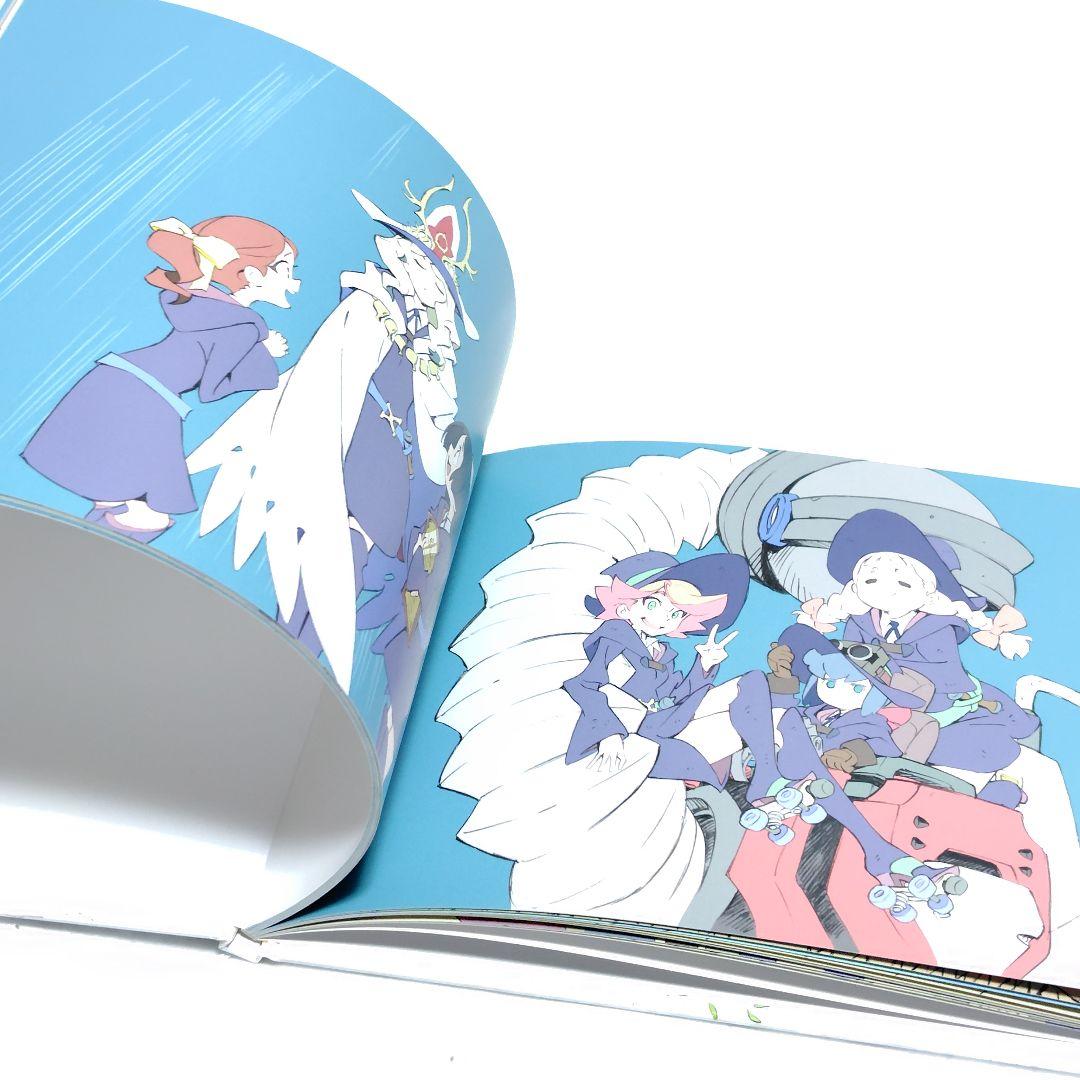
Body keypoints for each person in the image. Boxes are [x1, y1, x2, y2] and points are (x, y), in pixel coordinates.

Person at [23, 216, 299, 541]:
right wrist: (264, 356)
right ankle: (71, 556)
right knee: (147, 512)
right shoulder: (241, 326)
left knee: (116, 498)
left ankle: (62, 552)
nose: (294, 282)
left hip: (115, 380)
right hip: (148, 399)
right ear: (252, 274)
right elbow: (211, 388)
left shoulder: (202, 300)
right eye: (287, 270)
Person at [797, 509, 1037, 808]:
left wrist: (887, 672)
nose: (886, 591)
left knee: (974, 745)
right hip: (867, 691)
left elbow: (940, 676)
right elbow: (852, 655)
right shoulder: (861, 619)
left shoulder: (938, 626)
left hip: (934, 698)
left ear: (928, 589)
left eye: (903, 584)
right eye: (871, 581)